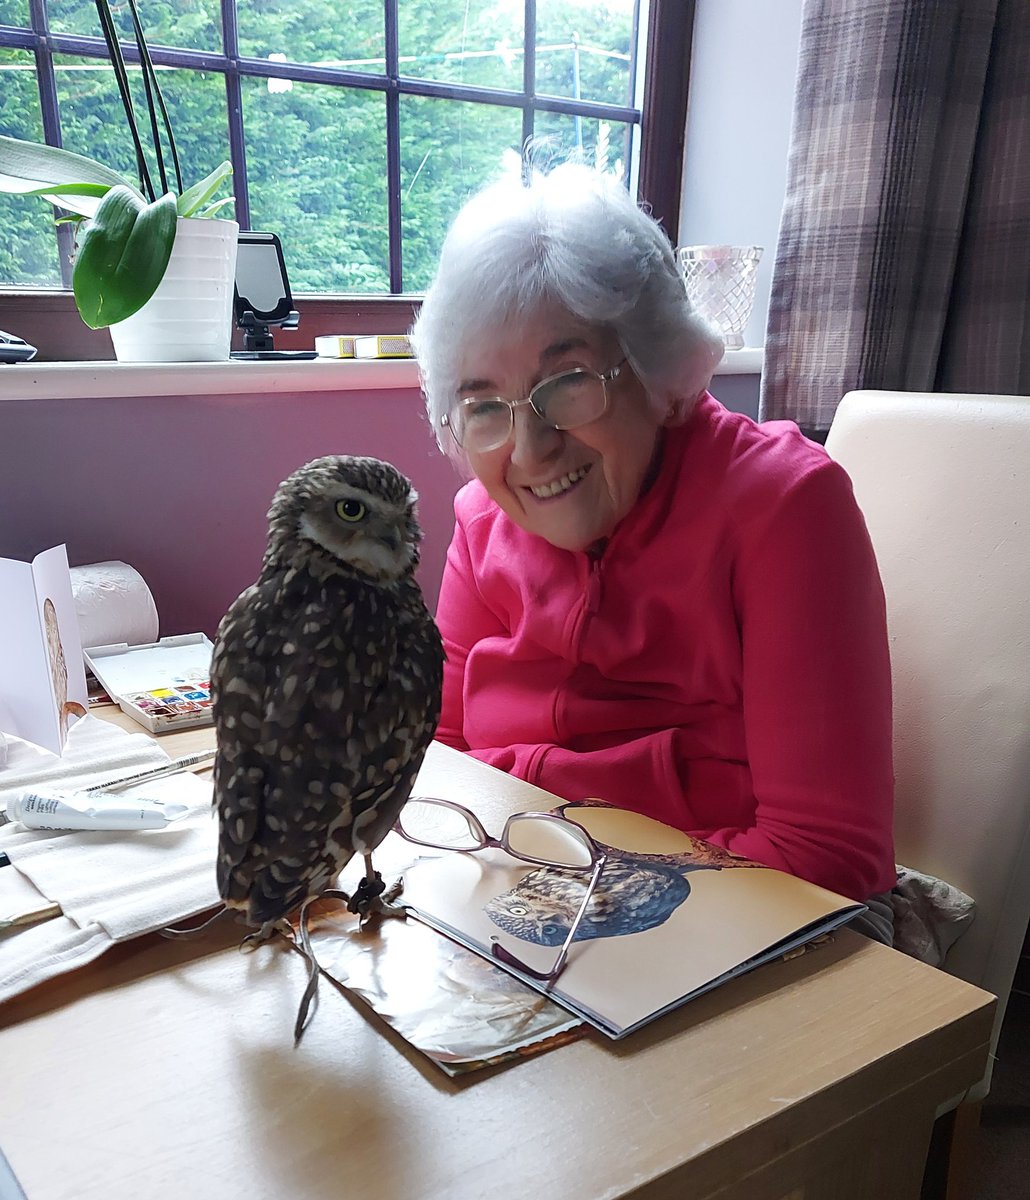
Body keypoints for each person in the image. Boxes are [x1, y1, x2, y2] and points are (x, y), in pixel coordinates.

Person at [409, 162, 895, 931]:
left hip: (733, 917)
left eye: (566, 381)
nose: (530, 449)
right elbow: (431, 755)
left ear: (659, 364)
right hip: (509, 898)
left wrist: (564, 905)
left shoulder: (785, 508)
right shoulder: (482, 520)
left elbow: (828, 854)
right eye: (483, 407)